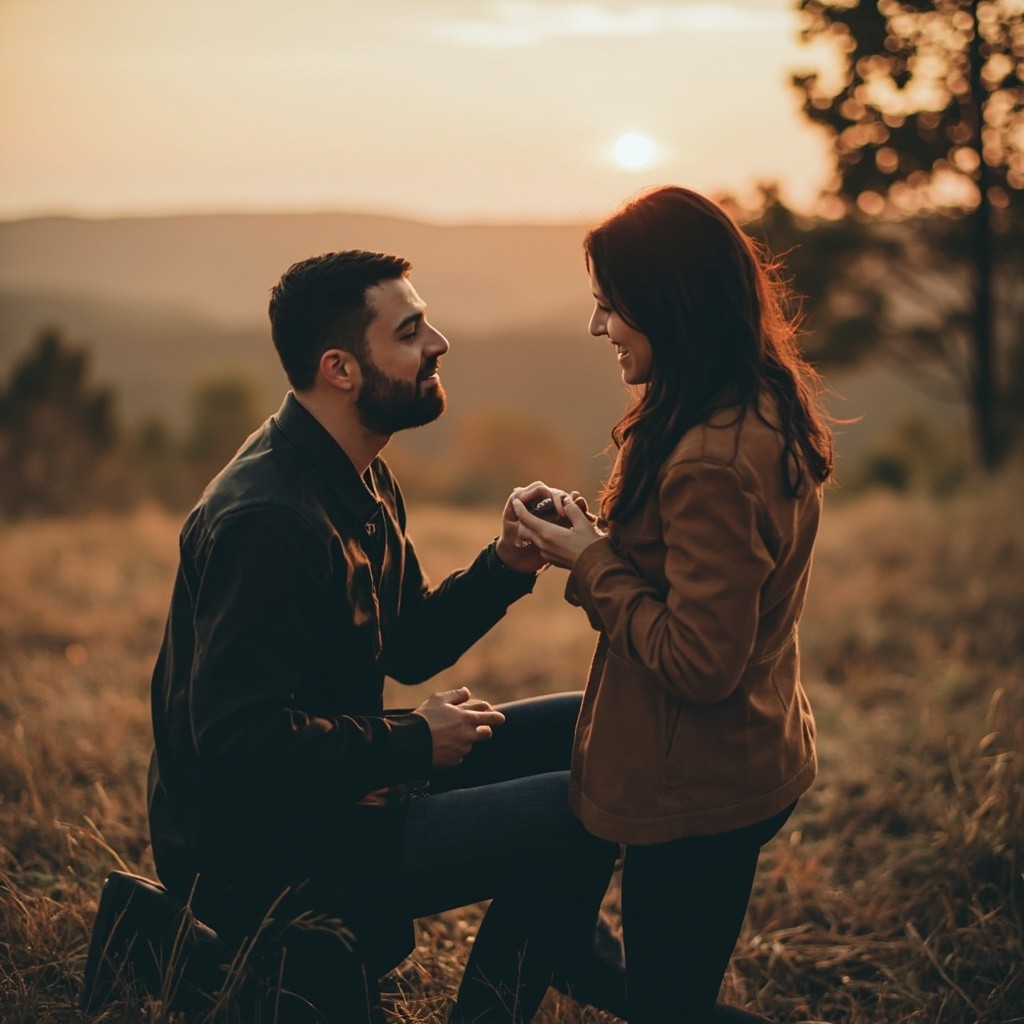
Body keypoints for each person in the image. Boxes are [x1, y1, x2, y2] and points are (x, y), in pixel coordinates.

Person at [145, 249, 625, 1023]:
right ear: (340, 367)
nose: (438, 343)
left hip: (338, 785)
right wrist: (413, 742)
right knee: (583, 808)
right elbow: (235, 743)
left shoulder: (357, 469)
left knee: (602, 719)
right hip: (268, 850)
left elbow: (404, 647)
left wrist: (507, 562)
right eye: (410, 332)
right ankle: (585, 983)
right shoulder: (266, 520)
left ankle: (589, 967)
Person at [512, 186, 834, 1024]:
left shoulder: (712, 458)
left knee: (666, 1006)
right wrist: (594, 537)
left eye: (611, 309)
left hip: (702, 784)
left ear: (669, 305)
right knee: (608, 965)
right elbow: (698, 576)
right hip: (735, 753)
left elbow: (699, 661)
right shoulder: (746, 398)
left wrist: (589, 562)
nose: (597, 329)